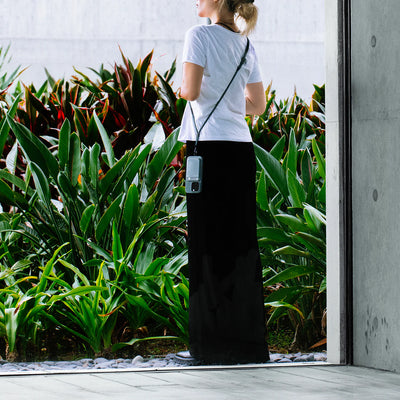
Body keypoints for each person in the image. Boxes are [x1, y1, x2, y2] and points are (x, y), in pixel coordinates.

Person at [179, 0, 270, 364]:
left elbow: (190, 92)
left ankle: (208, 346)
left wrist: (182, 87)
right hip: (239, 150)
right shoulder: (246, 44)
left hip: (208, 150)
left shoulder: (198, 36)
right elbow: (258, 104)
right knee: (240, 245)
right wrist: (231, 103)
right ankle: (246, 345)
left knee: (206, 245)